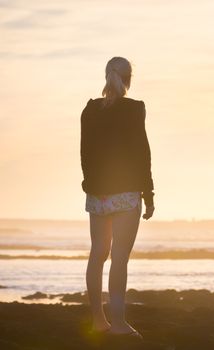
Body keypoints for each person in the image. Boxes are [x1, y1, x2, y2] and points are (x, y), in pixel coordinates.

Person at [80, 56, 155, 340]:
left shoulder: (89, 110)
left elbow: (85, 152)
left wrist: (90, 185)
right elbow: (142, 153)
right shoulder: (135, 109)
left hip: (97, 193)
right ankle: (120, 323)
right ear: (128, 79)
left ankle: (99, 321)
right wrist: (149, 194)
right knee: (119, 258)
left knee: (97, 254)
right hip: (126, 192)